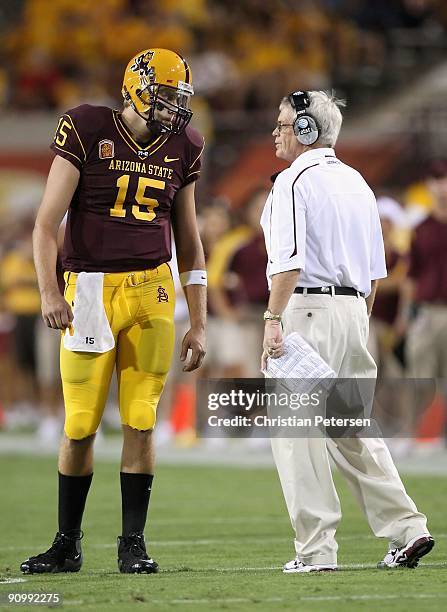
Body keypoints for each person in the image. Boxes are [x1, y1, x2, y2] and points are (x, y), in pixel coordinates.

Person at [20, 48, 207, 575]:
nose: (174, 108)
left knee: (141, 420)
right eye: (166, 96)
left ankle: (132, 543)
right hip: (89, 291)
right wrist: (49, 291)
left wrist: (200, 319)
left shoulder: (185, 145)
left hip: (152, 289)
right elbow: (44, 224)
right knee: (79, 424)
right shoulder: (85, 127)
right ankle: (67, 543)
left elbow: (190, 244)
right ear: (135, 89)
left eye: (179, 98)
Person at [260, 90, 434, 572]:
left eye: (283, 123)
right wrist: (356, 320)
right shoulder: (358, 181)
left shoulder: (293, 181)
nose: (276, 132)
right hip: (355, 313)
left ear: (305, 130)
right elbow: (375, 271)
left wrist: (273, 321)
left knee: (299, 437)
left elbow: (289, 263)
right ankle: (407, 528)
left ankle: (316, 550)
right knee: (353, 430)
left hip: (306, 313)